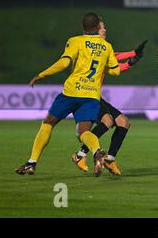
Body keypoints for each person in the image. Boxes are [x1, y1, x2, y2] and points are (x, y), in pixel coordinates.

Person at [15, 13, 121, 177]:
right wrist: (104, 65)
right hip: (92, 95)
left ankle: (31, 162)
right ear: (97, 27)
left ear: (83, 27)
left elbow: (64, 63)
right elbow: (115, 71)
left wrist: (42, 75)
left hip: (72, 92)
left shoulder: (75, 41)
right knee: (84, 132)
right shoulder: (107, 47)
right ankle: (96, 151)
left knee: (48, 122)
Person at [71, 18, 147, 175]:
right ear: (94, 30)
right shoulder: (90, 48)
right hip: (84, 94)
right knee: (107, 121)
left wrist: (132, 59)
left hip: (94, 94)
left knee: (123, 122)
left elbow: (114, 59)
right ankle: (80, 155)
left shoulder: (103, 49)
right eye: (101, 28)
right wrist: (132, 55)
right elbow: (115, 57)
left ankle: (109, 159)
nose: (105, 30)